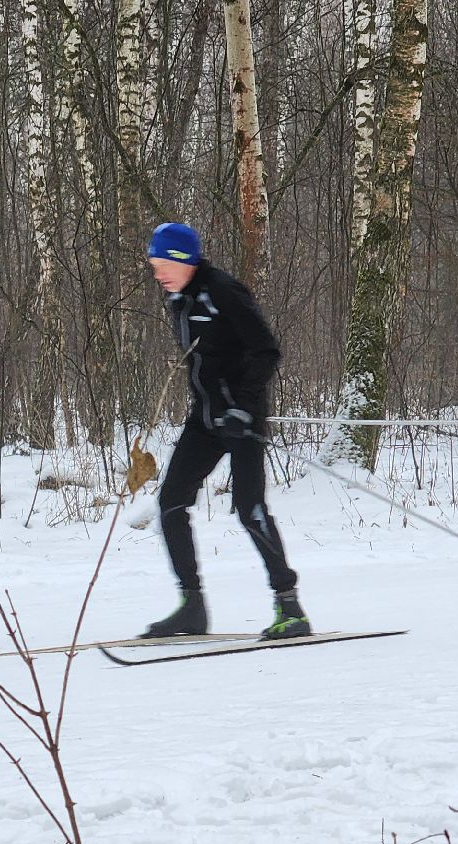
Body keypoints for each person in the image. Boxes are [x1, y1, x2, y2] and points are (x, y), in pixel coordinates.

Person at [140, 222, 309, 640]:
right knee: (171, 503)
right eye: (153, 265)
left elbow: (266, 350)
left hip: (242, 415)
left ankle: (290, 608)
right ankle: (192, 606)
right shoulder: (179, 299)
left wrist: (243, 406)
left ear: (182, 259)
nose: (158, 273)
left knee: (249, 508)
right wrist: (212, 407)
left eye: (162, 264)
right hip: (206, 417)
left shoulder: (223, 291)